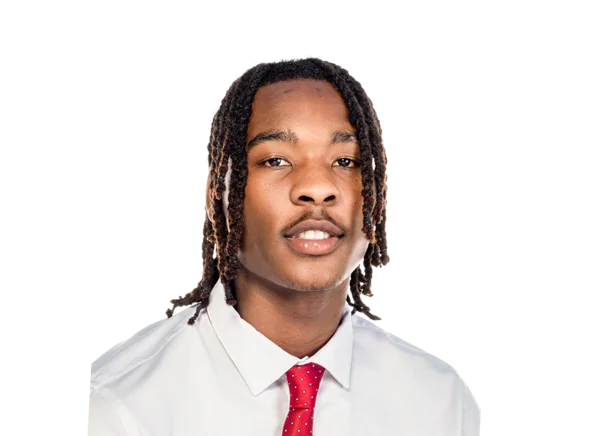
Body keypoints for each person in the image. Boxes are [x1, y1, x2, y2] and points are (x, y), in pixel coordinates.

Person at [85, 57, 479, 435]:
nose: (317, 188)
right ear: (216, 196)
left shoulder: (437, 401)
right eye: (276, 160)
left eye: (345, 161)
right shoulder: (120, 407)